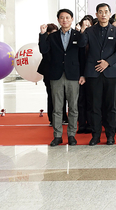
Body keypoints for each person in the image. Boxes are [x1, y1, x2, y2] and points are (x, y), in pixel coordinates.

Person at [80, 3, 116, 145]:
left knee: (111, 106)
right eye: (100, 12)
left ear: (110, 14)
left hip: (110, 73)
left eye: (106, 12)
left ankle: (110, 136)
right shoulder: (89, 31)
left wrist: (107, 62)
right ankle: (96, 135)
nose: (103, 14)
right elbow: (81, 46)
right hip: (93, 73)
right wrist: (82, 32)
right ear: (96, 14)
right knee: (94, 106)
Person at [38, 9, 85, 146]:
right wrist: (42, 34)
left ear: (72, 19)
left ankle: (71, 135)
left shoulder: (78, 35)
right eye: (62, 18)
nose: (65, 20)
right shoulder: (52, 36)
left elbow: (82, 54)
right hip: (56, 75)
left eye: (67, 17)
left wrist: (83, 74)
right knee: (57, 107)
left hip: (73, 75)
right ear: (58, 20)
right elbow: (43, 50)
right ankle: (57, 135)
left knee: (73, 107)